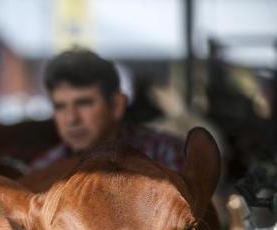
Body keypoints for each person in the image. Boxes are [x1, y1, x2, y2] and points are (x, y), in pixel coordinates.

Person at [31, 49, 184, 171]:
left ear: (117, 105)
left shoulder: (164, 155)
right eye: (60, 106)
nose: (71, 118)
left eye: (84, 103)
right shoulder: (43, 170)